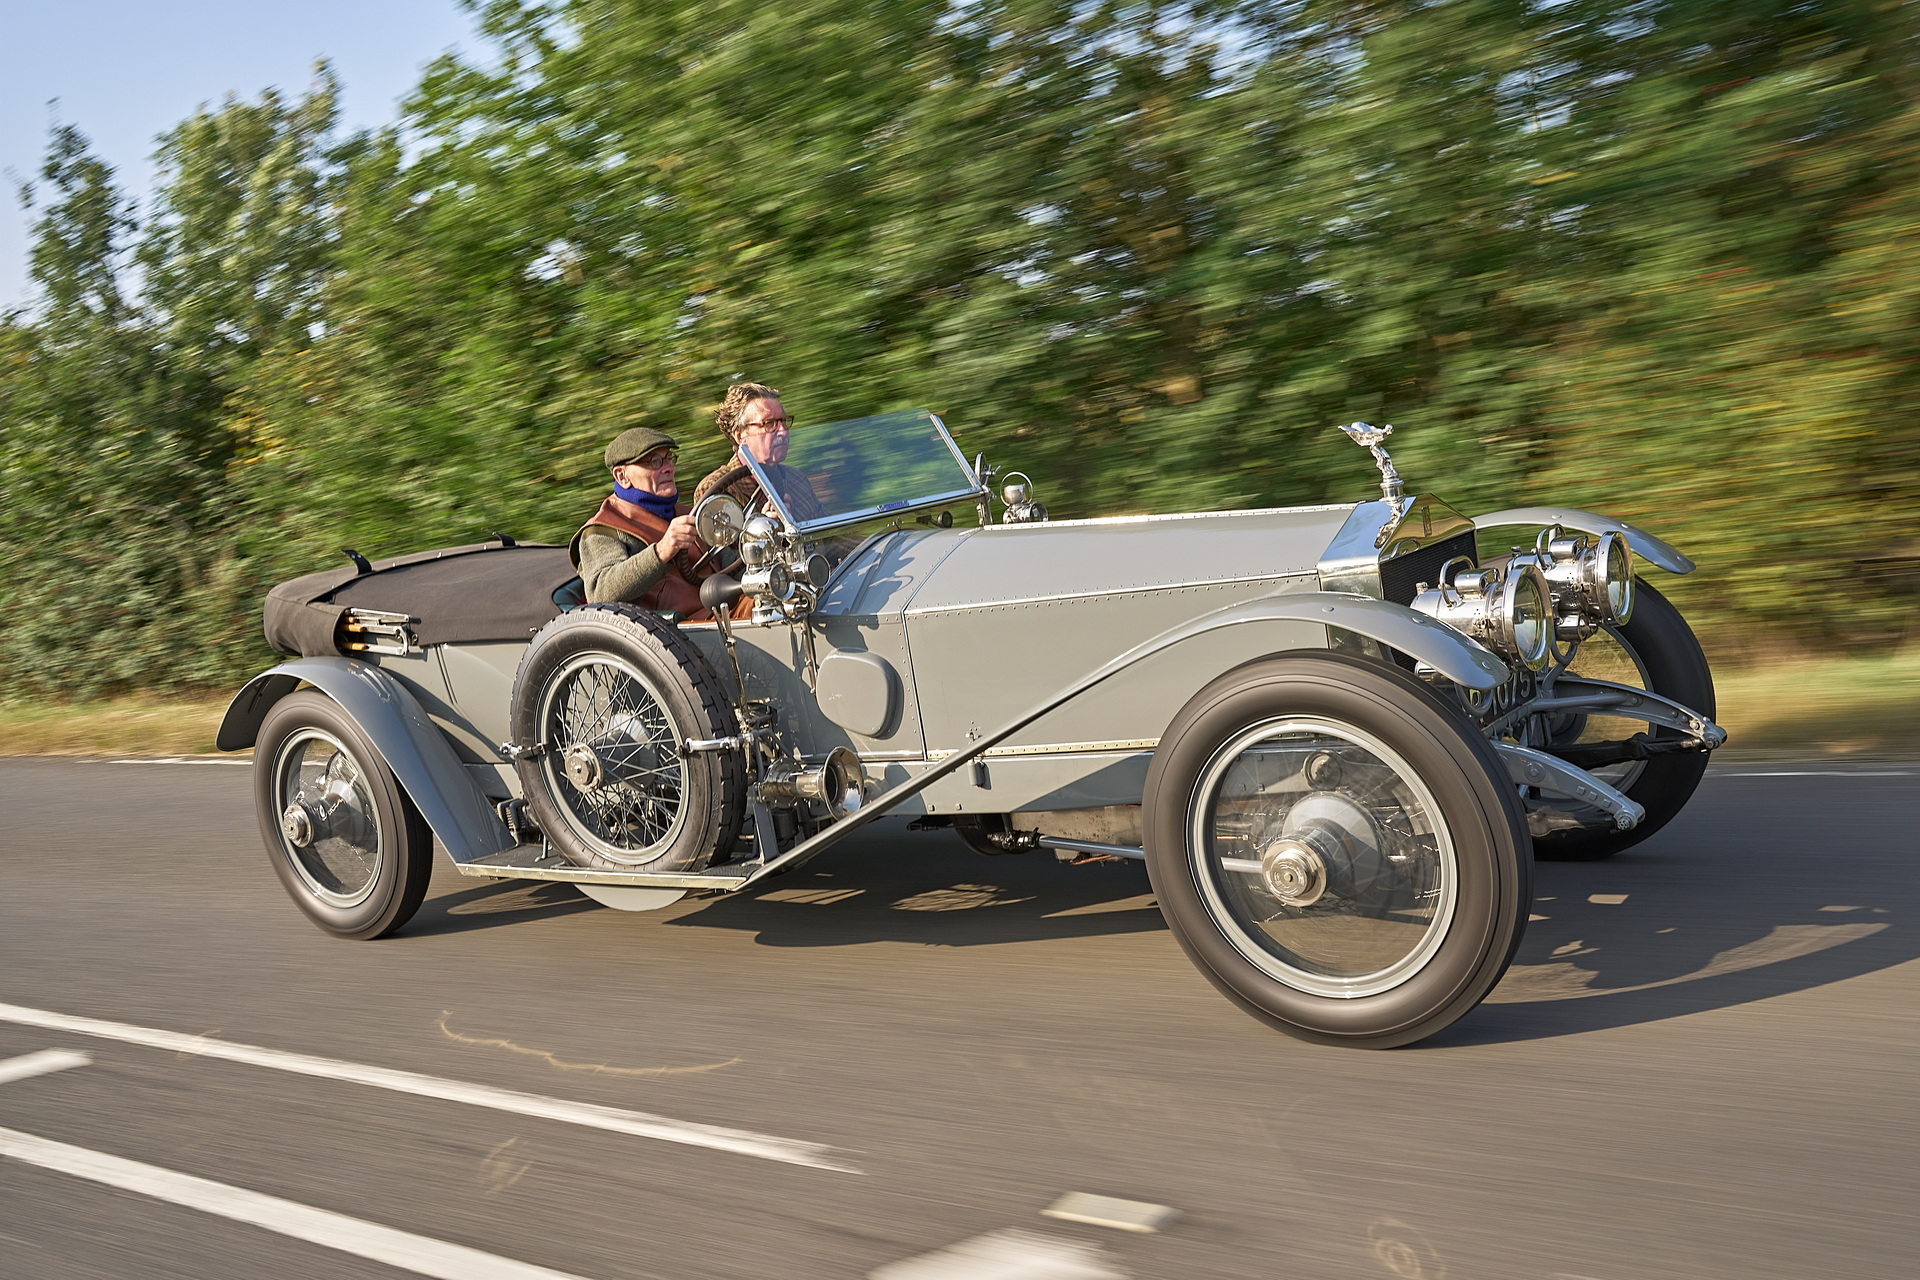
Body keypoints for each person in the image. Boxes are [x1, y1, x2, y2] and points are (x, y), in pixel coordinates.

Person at [571, 426, 718, 618]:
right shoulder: (602, 530)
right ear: (622, 476)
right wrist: (661, 551)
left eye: (669, 458)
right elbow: (601, 594)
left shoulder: (688, 513)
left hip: (725, 609)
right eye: (654, 462)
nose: (669, 468)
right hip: (677, 632)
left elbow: (731, 562)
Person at [690, 382, 826, 523]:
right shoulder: (718, 488)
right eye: (769, 424)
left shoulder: (797, 479)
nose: (783, 431)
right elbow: (724, 543)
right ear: (740, 436)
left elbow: (829, 537)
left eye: (784, 421)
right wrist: (766, 529)